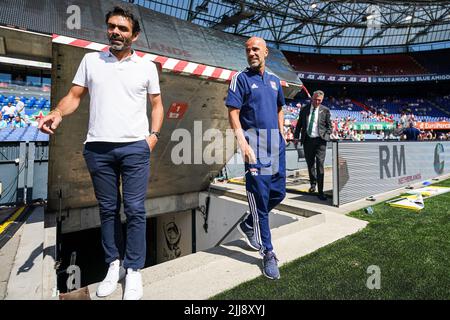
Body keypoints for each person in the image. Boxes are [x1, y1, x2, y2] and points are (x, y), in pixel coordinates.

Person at [38, 6, 164, 300]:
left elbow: (157, 104)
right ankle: (114, 265)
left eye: (122, 28)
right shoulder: (90, 60)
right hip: (98, 148)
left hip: (135, 148)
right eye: (112, 27)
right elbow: (74, 96)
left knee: (134, 210)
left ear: (135, 34)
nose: (115, 32)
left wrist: (153, 137)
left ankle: (133, 270)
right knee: (108, 211)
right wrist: (57, 112)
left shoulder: (146, 67)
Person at [226, 36, 286, 280]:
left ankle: (249, 224)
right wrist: (243, 144)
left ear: (266, 52)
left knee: (279, 194)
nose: (251, 53)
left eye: (256, 49)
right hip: (255, 150)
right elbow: (233, 111)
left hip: (276, 147)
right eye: (248, 50)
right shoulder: (239, 79)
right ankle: (267, 252)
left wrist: (282, 133)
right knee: (260, 202)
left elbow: (280, 107)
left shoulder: (274, 81)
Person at [294, 91, 331, 201]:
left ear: (322, 100)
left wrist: (326, 136)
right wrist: (296, 137)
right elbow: (299, 125)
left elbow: (329, 127)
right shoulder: (304, 109)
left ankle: (321, 191)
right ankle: (313, 184)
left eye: (319, 100)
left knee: (320, 165)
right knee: (310, 164)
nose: (316, 102)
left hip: (320, 142)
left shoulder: (325, 110)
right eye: (315, 99)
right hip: (308, 141)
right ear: (312, 98)